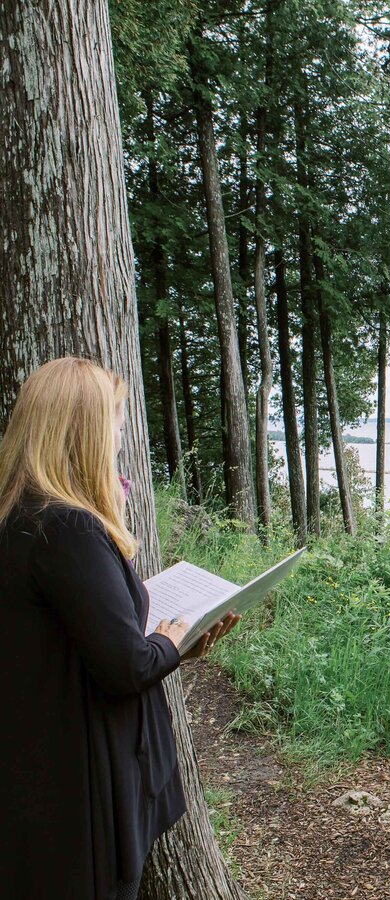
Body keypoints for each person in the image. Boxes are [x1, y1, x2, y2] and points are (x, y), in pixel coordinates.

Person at [0, 357, 239, 900]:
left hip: (36, 772)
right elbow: (124, 666)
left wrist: (174, 649)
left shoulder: (17, 516)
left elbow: (70, 638)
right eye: (115, 417)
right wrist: (168, 641)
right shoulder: (66, 526)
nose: (120, 433)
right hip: (80, 791)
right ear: (82, 430)